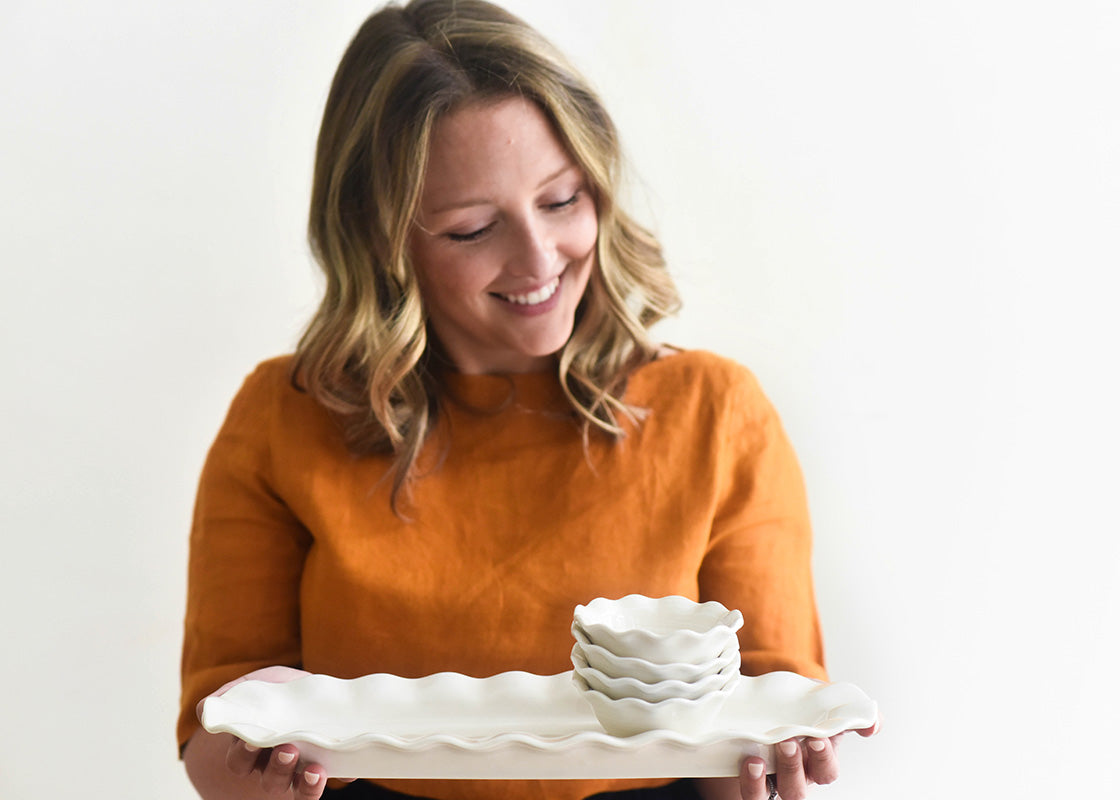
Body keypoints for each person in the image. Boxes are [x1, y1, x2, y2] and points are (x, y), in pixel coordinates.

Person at [178, 2, 876, 799]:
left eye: (561, 200)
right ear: (380, 239)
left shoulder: (715, 413)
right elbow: (212, 734)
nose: (539, 259)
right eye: (473, 228)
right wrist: (259, 772)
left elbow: (762, 716)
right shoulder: (283, 418)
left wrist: (769, 764)